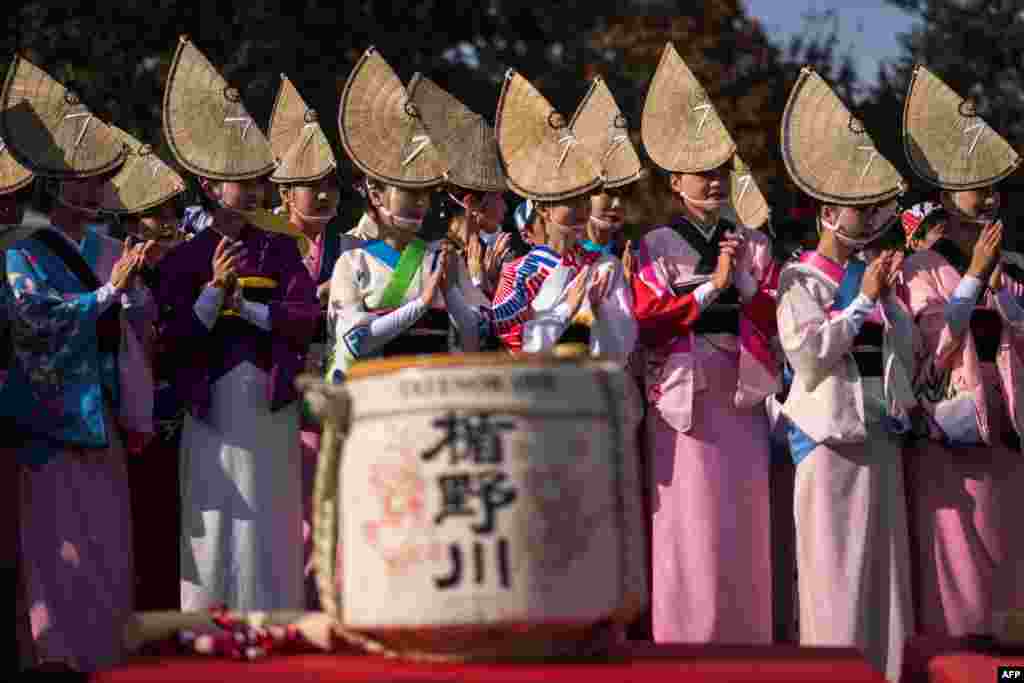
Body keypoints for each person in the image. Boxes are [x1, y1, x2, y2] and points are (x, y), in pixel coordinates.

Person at [0, 55, 155, 671]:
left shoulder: (113, 245)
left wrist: (139, 301)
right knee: (55, 544)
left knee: (107, 542)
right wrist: (107, 295)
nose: (95, 192)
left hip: (106, 409)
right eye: (84, 180)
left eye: (101, 180)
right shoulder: (22, 250)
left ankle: (106, 651)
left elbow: (137, 326)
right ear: (55, 181)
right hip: (54, 416)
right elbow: (33, 319)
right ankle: (54, 653)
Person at [156, 35, 319, 611]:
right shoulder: (181, 258)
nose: (252, 190)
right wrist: (208, 297)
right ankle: (210, 619)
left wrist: (244, 307)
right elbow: (167, 339)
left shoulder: (280, 250)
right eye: (240, 179)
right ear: (209, 184)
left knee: (270, 508)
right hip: (211, 401)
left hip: (266, 398)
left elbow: (307, 316)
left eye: (258, 178)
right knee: (218, 504)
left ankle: (272, 618)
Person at [634, 42, 781, 645]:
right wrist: (712, 288)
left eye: (722, 171)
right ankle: (684, 641)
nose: (716, 181)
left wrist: (744, 285)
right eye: (703, 173)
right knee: (688, 521)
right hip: (684, 396)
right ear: (676, 182)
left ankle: (748, 641)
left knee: (741, 519)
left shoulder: (756, 242)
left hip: (741, 393)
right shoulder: (656, 244)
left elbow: (779, 319)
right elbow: (647, 317)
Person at [775, 67, 915, 681]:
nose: (867, 218)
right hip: (826, 439)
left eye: (871, 208)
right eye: (856, 209)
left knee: (883, 577)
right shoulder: (799, 279)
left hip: (877, 431)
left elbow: (903, 349)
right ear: (828, 213)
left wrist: (885, 302)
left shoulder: (876, 273)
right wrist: (860, 303)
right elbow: (807, 356)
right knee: (833, 578)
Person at [898, 65, 1024, 638]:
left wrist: (1005, 298)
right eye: (977, 186)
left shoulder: (1015, 265)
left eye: (995, 186)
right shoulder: (920, 266)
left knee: (1010, 553)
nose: (989, 197)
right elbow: (931, 349)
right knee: (961, 559)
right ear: (949, 194)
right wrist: (972, 281)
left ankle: (1009, 663)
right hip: (954, 421)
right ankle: (958, 659)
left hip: (1009, 421)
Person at [326, 47, 488, 384]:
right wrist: (422, 303)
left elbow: (477, 338)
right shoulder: (353, 262)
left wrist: (452, 293)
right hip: (377, 399)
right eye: (408, 192)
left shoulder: (441, 258)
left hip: (435, 399)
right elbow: (354, 341)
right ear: (376, 194)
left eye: (425, 193)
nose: (420, 203)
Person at [95, 126, 190, 611]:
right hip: (133, 403)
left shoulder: (189, 265)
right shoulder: (114, 267)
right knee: (141, 513)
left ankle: (177, 611)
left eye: (173, 211)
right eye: (156, 213)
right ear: (132, 221)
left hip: (183, 402)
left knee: (181, 515)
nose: (168, 221)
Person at [490, 69, 636, 360]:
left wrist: (597, 312)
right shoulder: (517, 272)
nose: (583, 209)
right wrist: (567, 309)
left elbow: (623, 349)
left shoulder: (606, 266)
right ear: (544, 208)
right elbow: (517, 348)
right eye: (572, 201)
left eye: (586, 199)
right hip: (538, 393)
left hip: (593, 390)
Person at [265, 73, 340, 609]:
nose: (324, 194)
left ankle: (328, 604)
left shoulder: (351, 245)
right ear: (285, 192)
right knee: (285, 506)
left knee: (331, 502)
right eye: (312, 184)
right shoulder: (266, 244)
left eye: (331, 183)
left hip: (335, 385)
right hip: (276, 386)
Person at [406, 73, 512, 351]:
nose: (505, 206)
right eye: (498, 196)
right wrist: (477, 282)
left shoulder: (500, 256)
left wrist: (489, 282)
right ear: (471, 204)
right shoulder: (417, 253)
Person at [571, 76, 646, 264]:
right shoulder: (564, 256)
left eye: (624, 194)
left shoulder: (636, 255)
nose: (617, 204)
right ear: (586, 194)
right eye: (609, 194)